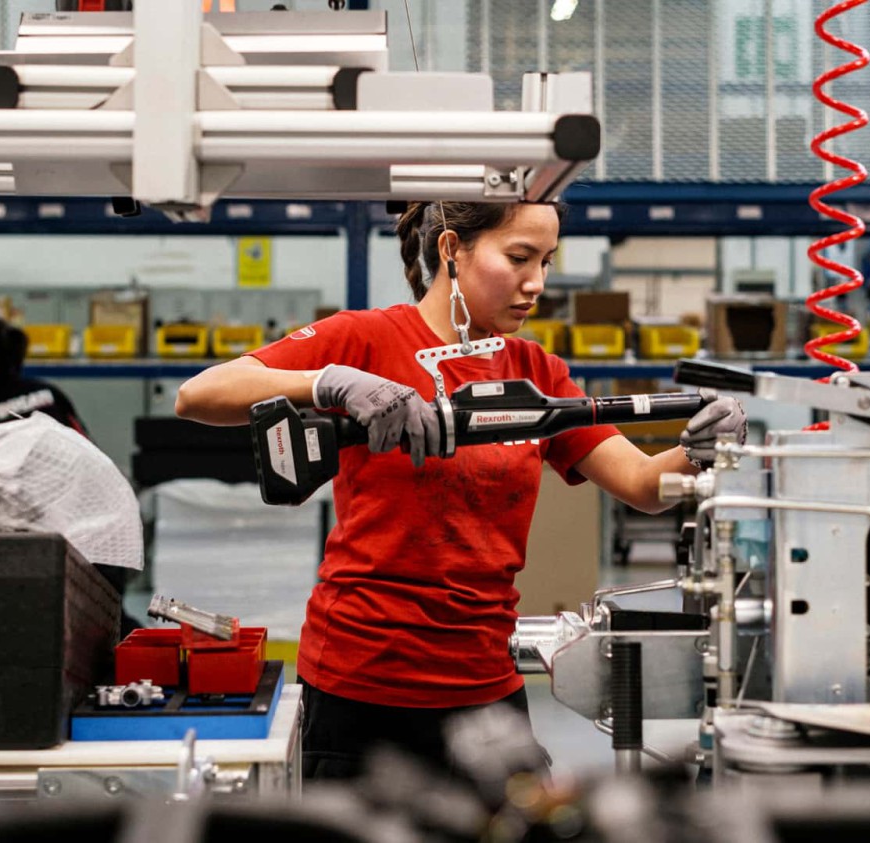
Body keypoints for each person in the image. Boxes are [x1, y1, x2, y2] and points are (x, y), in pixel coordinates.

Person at [175, 201, 746, 779]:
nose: (536, 283)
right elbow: (199, 394)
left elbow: (643, 485)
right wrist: (329, 381)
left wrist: (703, 446)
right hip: (361, 684)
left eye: (546, 261)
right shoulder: (366, 340)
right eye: (519, 258)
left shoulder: (536, 373)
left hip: (486, 684)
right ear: (451, 249)